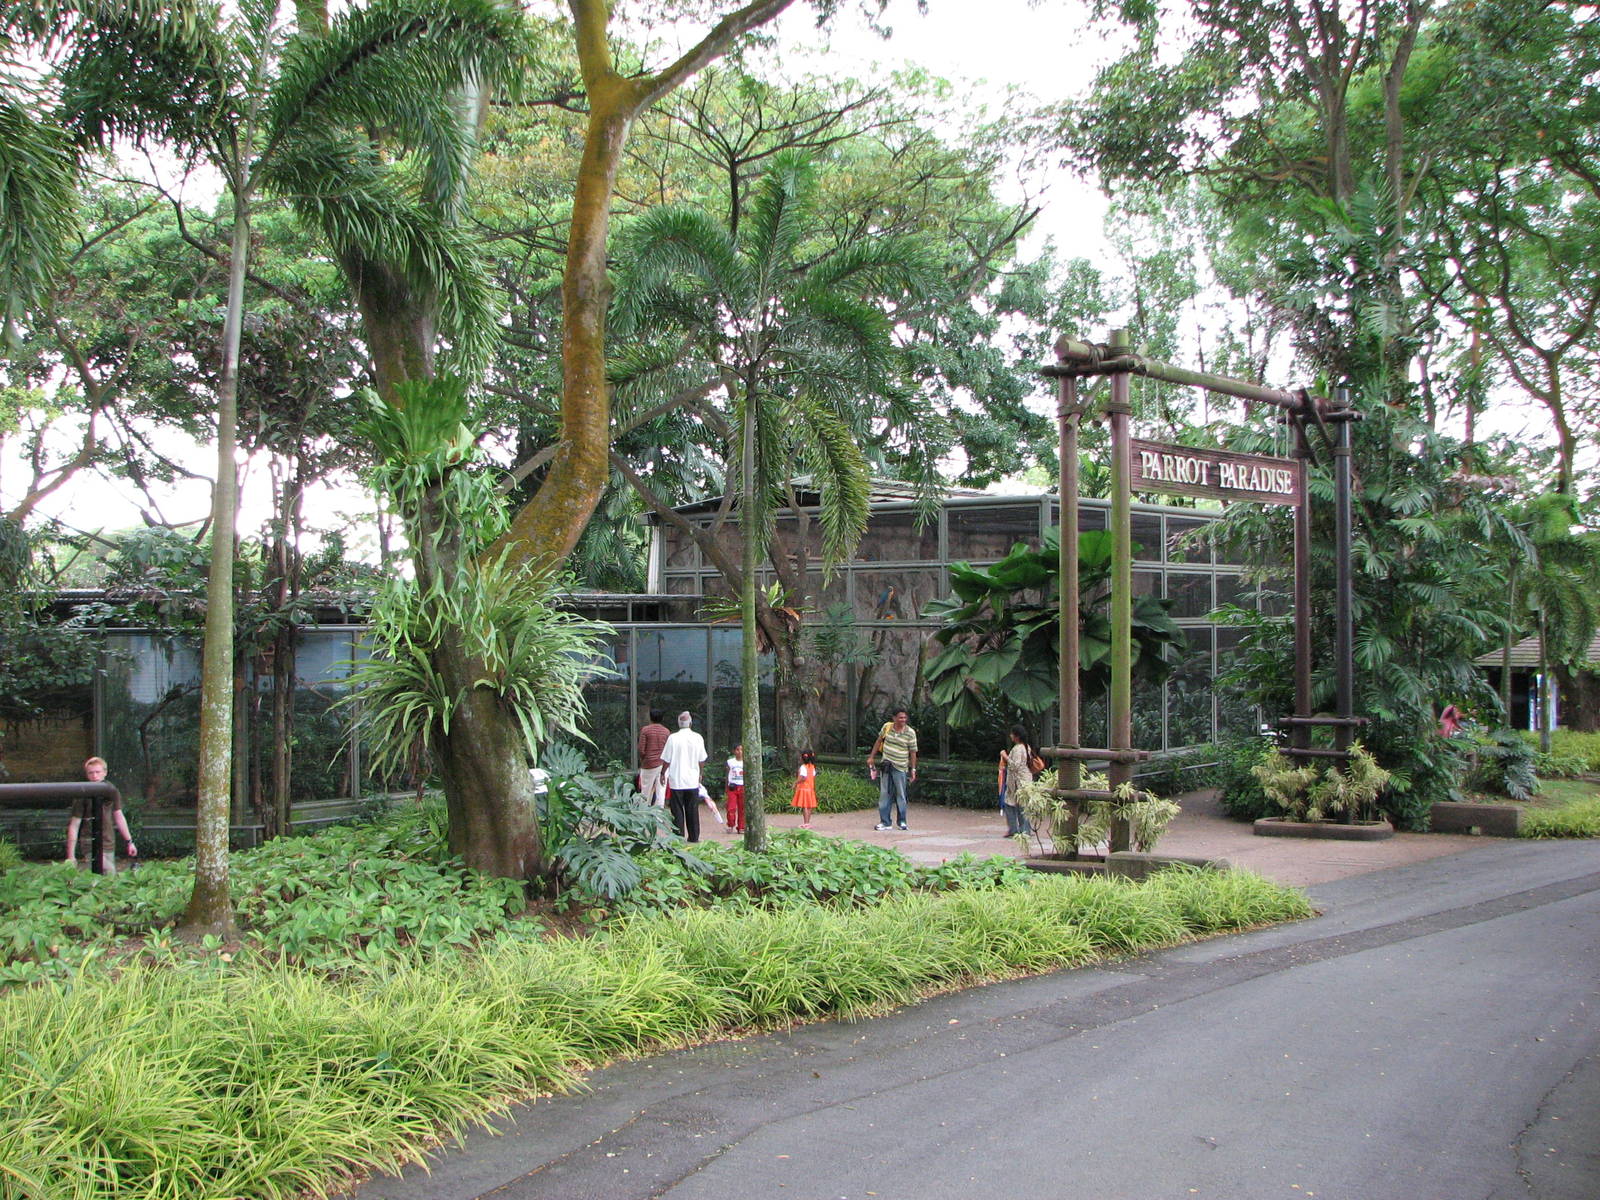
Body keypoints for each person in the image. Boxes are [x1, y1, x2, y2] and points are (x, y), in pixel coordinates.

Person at [64, 756, 136, 871]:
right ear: (87, 775)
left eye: (97, 772)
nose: (95, 776)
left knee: (105, 879)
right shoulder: (82, 793)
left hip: (108, 842)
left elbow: (119, 817)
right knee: (108, 872)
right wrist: (71, 856)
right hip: (89, 842)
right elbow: (74, 825)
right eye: (91, 773)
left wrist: (129, 841)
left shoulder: (112, 790)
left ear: (105, 772)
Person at [660, 711, 708, 842]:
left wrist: (662, 773)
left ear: (678, 723)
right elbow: (701, 759)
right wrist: (700, 773)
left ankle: (678, 836)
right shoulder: (697, 737)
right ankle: (694, 836)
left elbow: (667, 759)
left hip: (676, 780)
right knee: (692, 808)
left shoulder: (672, 738)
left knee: (677, 810)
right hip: (692, 780)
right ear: (690, 723)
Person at [866, 708, 918, 831]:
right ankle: (885, 821)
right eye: (900, 717)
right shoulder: (887, 727)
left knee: (901, 794)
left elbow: (913, 752)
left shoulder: (910, 732)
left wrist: (913, 769)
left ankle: (902, 821)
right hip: (887, 765)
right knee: (885, 794)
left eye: (905, 718)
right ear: (894, 718)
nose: (903, 720)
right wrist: (871, 757)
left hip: (901, 766)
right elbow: (879, 741)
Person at [1002, 725, 1036, 836]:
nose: (1010, 735)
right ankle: (1024, 830)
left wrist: (1005, 756)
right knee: (1023, 805)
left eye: (1012, 733)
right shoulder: (1026, 747)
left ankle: (1016, 829)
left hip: (1018, 782)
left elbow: (1015, 765)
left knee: (1010, 804)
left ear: (1016, 736)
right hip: (1025, 780)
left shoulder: (1017, 749)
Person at [637, 708, 671, 807]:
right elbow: (668, 750)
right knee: (661, 792)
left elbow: (641, 749)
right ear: (662, 718)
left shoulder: (645, 730)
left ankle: (644, 814)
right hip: (662, 765)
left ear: (650, 717)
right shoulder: (666, 732)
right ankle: (658, 817)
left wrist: (643, 760)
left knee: (645, 792)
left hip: (648, 765)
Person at [790, 750, 818, 828]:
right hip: (810, 788)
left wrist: (796, 783)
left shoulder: (803, 767)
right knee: (809, 806)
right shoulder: (812, 767)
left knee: (805, 806)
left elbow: (803, 777)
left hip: (804, 788)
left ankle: (805, 823)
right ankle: (808, 822)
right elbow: (813, 776)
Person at [725, 744, 746, 833]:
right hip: (732, 787)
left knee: (742, 808)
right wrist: (726, 786)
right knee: (731, 807)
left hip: (742, 786)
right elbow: (727, 774)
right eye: (737, 750)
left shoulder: (746, 762)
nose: (739, 752)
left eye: (741, 750)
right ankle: (730, 825)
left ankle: (741, 827)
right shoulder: (730, 762)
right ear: (734, 751)